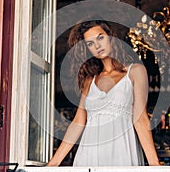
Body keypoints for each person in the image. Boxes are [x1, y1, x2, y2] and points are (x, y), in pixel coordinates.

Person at [47, 19, 160, 166]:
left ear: (110, 37)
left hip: (122, 151)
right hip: (89, 154)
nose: (97, 45)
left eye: (100, 37)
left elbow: (141, 119)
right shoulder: (90, 80)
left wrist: (154, 164)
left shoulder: (135, 71)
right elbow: (78, 122)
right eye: (90, 43)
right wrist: (53, 164)